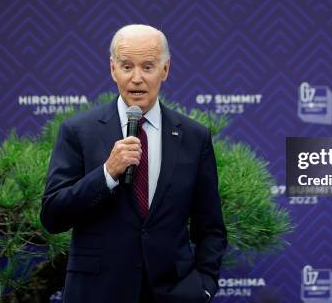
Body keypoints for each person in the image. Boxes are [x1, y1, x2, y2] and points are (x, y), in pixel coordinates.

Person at [40, 24, 227, 302]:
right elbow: (53, 216)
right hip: (97, 293)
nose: (136, 78)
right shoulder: (78, 131)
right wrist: (107, 173)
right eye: (127, 66)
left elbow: (211, 227)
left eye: (148, 67)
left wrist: (204, 286)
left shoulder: (193, 136)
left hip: (173, 294)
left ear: (165, 70)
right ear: (112, 69)